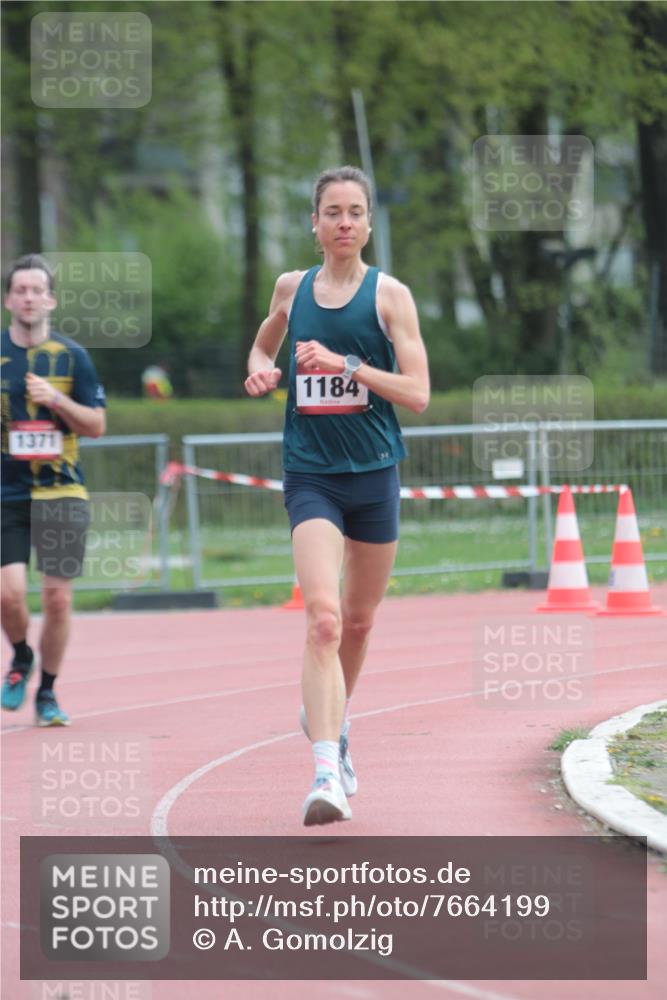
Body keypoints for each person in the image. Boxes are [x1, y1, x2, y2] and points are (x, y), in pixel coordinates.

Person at [245, 166, 430, 825]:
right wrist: (260, 369)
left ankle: (334, 724)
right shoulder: (291, 290)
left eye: (355, 211)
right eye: (332, 212)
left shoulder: (390, 297)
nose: (344, 222)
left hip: (375, 473)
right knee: (322, 618)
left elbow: (417, 392)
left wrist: (347, 366)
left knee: (357, 621)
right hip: (311, 475)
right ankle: (327, 769)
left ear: (369, 224)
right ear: (315, 224)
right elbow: (266, 337)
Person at [1, 254, 106, 725]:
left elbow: (97, 425)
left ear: (51, 299)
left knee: (59, 598)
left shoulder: (73, 357)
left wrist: (55, 398)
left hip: (62, 491)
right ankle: (22, 654)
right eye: (19, 290)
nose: (28, 297)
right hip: (7, 492)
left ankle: (47, 692)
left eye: (35, 290)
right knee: (10, 596)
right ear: (8, 300)